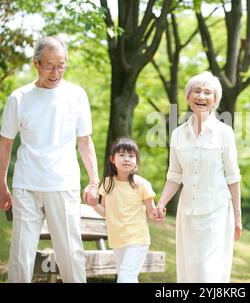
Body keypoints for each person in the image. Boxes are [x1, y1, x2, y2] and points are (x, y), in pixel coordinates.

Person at [0, 36, 99, 283]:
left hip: (63, 186)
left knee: (70, 255)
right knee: (21, 256)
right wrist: (2, 185)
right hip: (26, 185)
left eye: (61, 65)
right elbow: (6, 143)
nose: (56, 72)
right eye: (49, 65)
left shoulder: (76, 95)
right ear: (36, 63)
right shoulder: (19, 98)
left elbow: (85, 141)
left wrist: (94, 179)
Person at [156, 71, 242, 283]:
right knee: (188, 270)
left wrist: (238, 216)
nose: (201, 96)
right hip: (187, 213)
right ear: (188, 97)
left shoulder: (224, 133)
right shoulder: (177, 134)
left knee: (208, 271)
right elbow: (174, 175)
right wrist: (161, 203)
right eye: (196, 91)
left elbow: (233, 176)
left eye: (207, 92)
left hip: (216, 211)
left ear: (214, 101)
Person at [90, 137, 160, 283]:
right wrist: (94, 204)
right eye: (121, 155)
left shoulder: (142, 184)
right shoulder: (108, 183)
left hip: (138, 239)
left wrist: (158, 213)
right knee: (126, 277)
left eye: (131, 156)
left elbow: (151, 212)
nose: (126, 159)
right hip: (117, 240)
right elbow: (105, 213)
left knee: (125, 276)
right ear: (112, 159)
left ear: (136, 161)